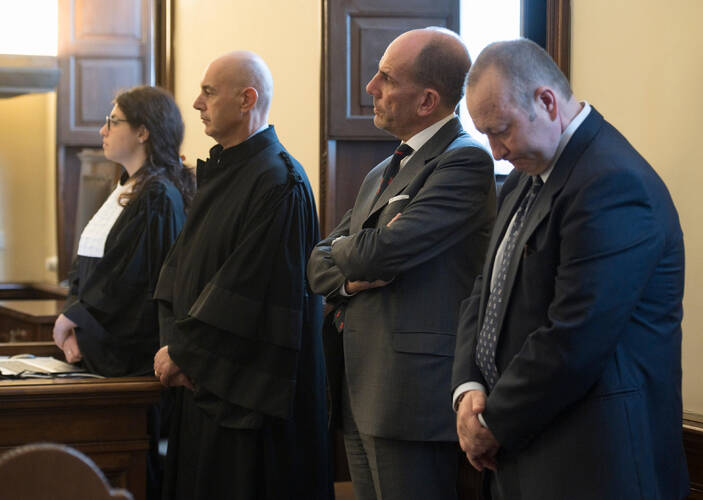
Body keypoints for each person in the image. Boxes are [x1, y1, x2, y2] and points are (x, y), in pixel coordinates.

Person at [452, 38, 690, 499]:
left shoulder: (612, 182)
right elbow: (485, 290)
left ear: (546, 101)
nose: (495, 152)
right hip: (524, 448)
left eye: (501, 130)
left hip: (591, 461)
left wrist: (493, 421)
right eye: (485, 135)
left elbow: (575, 336)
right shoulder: (525, 175)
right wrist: (468, 388)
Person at [308, 28, 495, 500]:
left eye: (387, 78)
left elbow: (379, 253)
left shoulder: (464, 161)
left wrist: (353, 250)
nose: (371, 86)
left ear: (427, 100)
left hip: (410, 395)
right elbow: (315, 263)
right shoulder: (381, 171)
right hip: (358, 385)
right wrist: (349, 280)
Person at [151, 51, 331, 500]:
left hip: (245, 405)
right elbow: (178, 273)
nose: (196, 103)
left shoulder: (278, 182)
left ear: (247, 99)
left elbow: (253, 293)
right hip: (202, 388)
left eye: (208, 92)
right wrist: (177, 347)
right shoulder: (223, 174)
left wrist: (187, 352)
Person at [53, 85, 194, 377]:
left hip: (129, 357)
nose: (103, 131)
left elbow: (134, 284)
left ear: (143, 132)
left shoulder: (158, 196)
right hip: (92, 345)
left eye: (113, 122)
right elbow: (85, 268)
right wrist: (72, 321)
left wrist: (75, 320)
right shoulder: (126, 188)